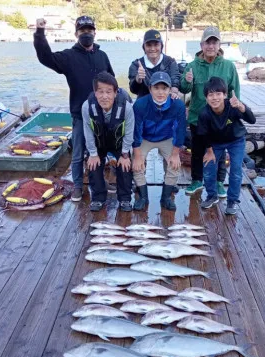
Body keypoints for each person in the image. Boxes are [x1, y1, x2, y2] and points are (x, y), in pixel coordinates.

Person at [34, 16, 114, 202]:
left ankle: (101, 181)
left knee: (100, 152)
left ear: (95, 32)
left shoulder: (102, 56)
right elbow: (45, 57)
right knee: (77, 153)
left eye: (89, 30)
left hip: (101, 114)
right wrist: (39, 33)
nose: (86, 34)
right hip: (80, 114)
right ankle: (78, 186)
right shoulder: (69, 56)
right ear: (76, 33)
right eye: (82, 31)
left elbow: (111, 81)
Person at [180, 26, 240, 198]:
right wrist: (187, 80)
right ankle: (196, 180)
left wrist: (235, 113)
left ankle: (219, 182)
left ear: (219, 44)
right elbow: (184, 89)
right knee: (198, 150)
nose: (210, 46)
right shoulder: (192, 66)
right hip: (198, 116)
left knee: (220, 152)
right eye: (207, 42)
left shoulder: (228, 66)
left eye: (214, 42)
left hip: (221, 117)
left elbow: (235, 91)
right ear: (201, 45)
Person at [198, 77, 256, 214]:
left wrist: (242, 107)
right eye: (210, 95)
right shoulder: (204, 113)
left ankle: (232, 201)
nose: (215, 98)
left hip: (236, 140)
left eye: (218, 94)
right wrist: (209, 151)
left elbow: (252, 120)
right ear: (206, 98)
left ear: (225, 95)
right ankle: (212, 196)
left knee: (236, 170)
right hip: (214, 143)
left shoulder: (233, 107)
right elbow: (203, 134)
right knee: (208, 168)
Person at [132, 71, 186, 211]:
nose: (160, 92)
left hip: (166, 137)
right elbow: (135, 132)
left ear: (170, 90)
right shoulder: (140, 105)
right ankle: (143, 196)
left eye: (164, 88)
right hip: (145, 137)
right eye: (156, 88)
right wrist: (137, 156)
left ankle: (166, 196)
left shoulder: (178, 105)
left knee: (174, 165)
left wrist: (175, 154)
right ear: (150, 89)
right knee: (136, 164)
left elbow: (180, 131)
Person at [82, 72, 134, 212]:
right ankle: (98, 197)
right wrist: (92, 153)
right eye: (101, 92)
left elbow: (129, 133)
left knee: (125, 166)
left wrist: (125, 154)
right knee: (93, 164)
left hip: (118, 143)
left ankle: (125, 198)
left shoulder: (127, 107)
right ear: (95, 92)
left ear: (116, 93)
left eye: (109, 92)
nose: (105, 96)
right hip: (99, 142)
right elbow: (87, 131)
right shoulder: (87, 107)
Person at [128, 29, 180, 100]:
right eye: (149, 45)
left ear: (161, 46)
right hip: (144, 103)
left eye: (156, 45)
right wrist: (138, 79)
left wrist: (174, 92)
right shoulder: (136, 65)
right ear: (144, 47)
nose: (152, 49)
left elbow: (175, 80)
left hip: (165, 102)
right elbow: (133, 90)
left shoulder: (170, 62)